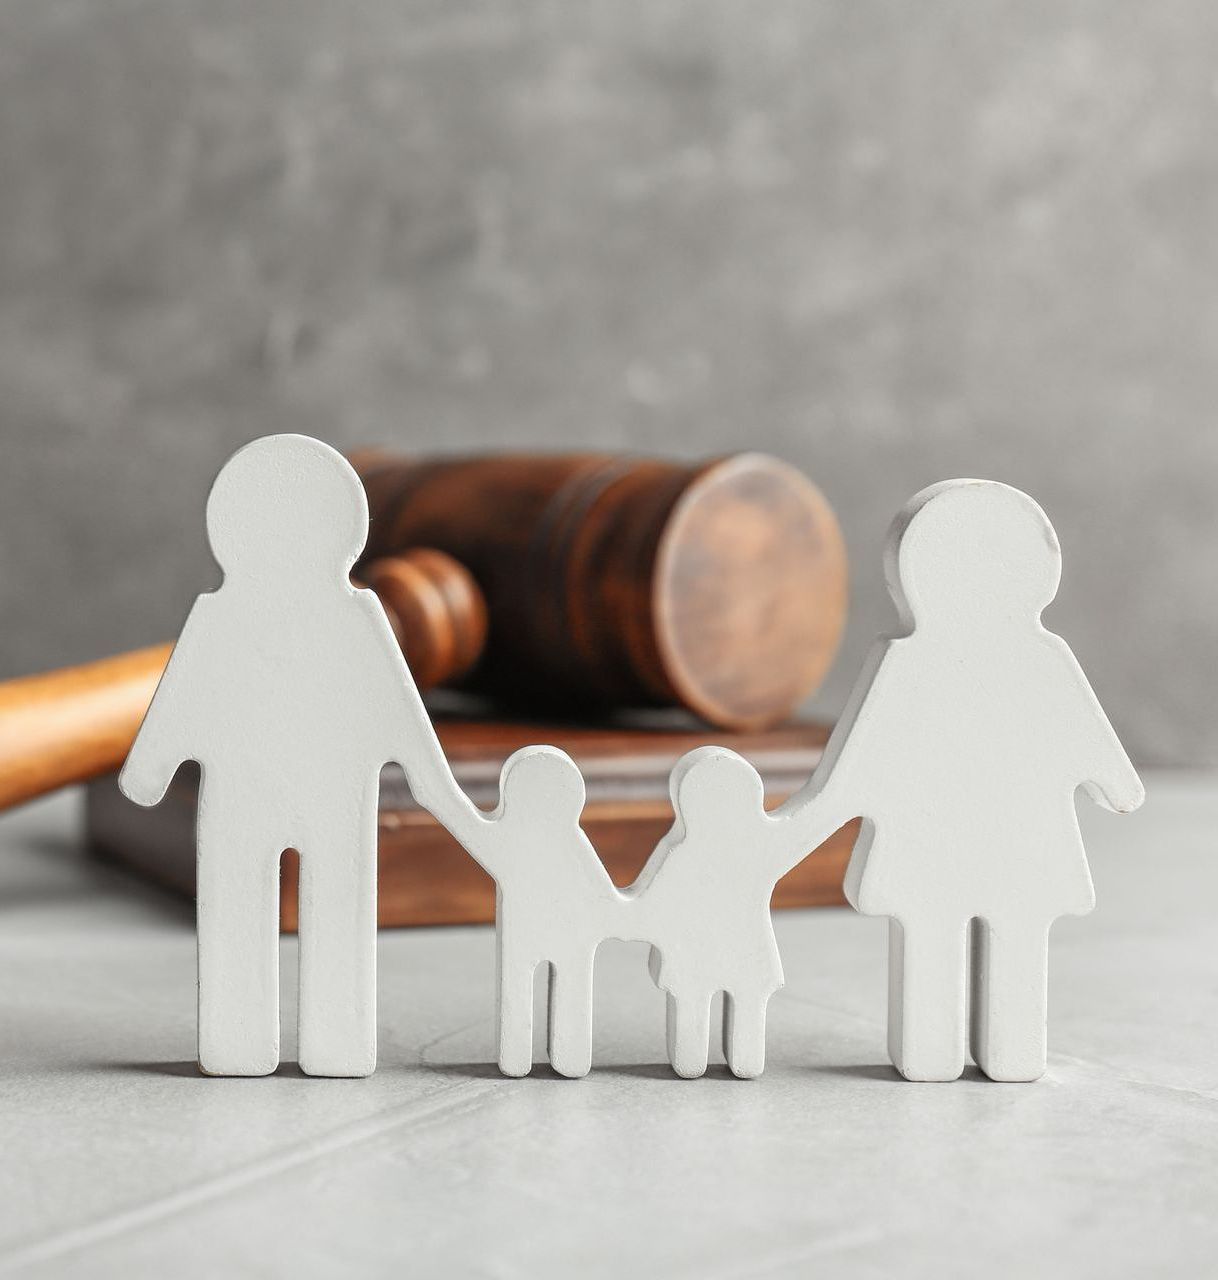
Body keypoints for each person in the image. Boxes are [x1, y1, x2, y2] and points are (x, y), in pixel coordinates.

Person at [120, 434, 471, 1078]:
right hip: (270, 798)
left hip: (315, 798)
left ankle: (315, 1041)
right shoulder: (227, 617)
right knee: (248, 909)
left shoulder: (346, 616)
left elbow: (391, 705)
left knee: (326, 907)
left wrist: (150, 771)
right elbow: (187, 700)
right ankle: (245, 1040)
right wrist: (430, 781)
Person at [799, 479, 1144, 1082]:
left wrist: (814, 815)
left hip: (967, 843)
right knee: (961, 934)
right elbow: (1104, 766)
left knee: (979, 936)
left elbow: (852, 773)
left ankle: (977, 1051)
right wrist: (1115, 787)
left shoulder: (1022, 659)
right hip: (996, 843)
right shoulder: (949, 661)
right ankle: (961, 1051)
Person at [630, 746, 840, 1079]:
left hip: (714, 953)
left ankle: (706, 1058)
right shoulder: (740, 845)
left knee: (720, 1003)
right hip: (726, 952)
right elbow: (806, 826)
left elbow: (650, 900)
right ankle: (709, 1058)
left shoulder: (691, 852)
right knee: (722, 1002)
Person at [443, 746, 626, 1078]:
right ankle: (536, 1056)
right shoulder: (557, 840)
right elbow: (603, 891)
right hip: (549, 935)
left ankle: (548, 1056)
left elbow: (470, 828)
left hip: (554, 935)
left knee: (554, 988)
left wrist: (440, 797)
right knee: (549, 988)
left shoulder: (557, 840)